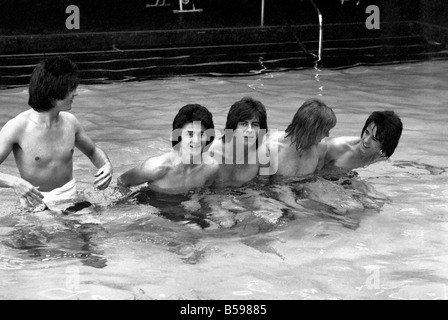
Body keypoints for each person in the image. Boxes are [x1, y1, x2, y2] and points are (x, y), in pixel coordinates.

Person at [0, 56, 113, 211]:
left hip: (70, 195)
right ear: (54, 94)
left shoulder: (71, 122)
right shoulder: (17, 127)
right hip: (37, 203)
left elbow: (93, 151)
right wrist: (14, 182)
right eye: (71, 89)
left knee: (97, 232)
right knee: (60, 234)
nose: (75, 94)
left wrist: (106, 165)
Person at [117, 104, 218, 194]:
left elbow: (205, 194)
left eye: (201, 134)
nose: (196, 140)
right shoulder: (155, 168)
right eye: (190, 134)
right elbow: (121, 182)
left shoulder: (210, 168)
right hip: (154, 206)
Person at [207, 97, 270, 187]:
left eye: (255, 125)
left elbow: (263, 190)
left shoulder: (262, 155)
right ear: (232, 126)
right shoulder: (211, 153)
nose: (249, 130)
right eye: (243, 124)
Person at [268, 98, 337, 177]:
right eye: (325, 131)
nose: (327, 135)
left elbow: (317, 178)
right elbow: (260, 183)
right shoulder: (271, 147)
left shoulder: (321, 147)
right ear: (311, 129)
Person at [318, 110, 403, 174]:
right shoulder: (337, 147)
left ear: (385, 144)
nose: (366, 140)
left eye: (374, 139)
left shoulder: (381, 158)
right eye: (366, 132)